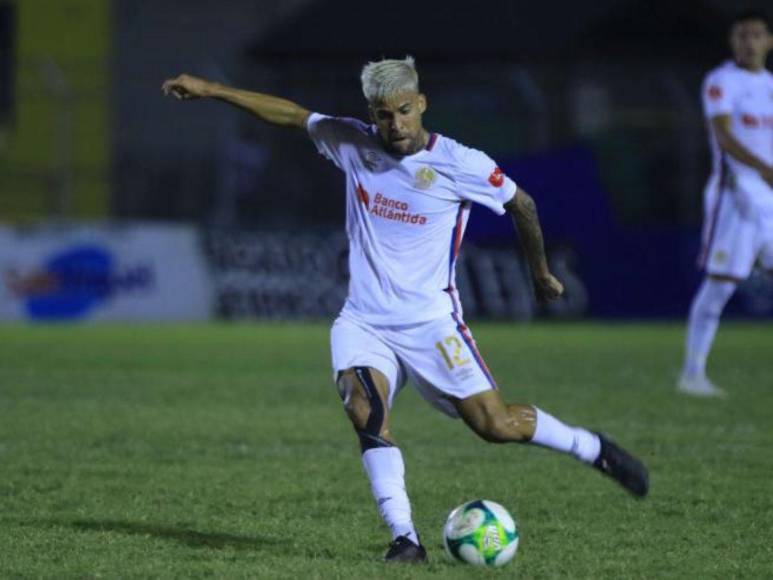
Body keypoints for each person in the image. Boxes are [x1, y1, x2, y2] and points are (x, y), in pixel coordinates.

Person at [163, 57, 649, 564]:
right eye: (382, 114)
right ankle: (406, 540)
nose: (393, 124)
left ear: (421, 104)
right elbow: (291, 115)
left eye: (402, 111)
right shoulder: (353, 143)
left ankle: (592, 448)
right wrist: (211, 89)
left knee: (495, 426)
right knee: (364, 410)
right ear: (370, 114)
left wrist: (540, 273)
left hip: (432, 324)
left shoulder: (461, 163)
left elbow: (521, 204)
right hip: (365, 321)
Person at [679, 11, 773, 398]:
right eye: (741, 35)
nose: (748, 42)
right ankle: (692, 374)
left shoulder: (770, 85)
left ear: (770, 41)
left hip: (769, 196)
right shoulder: (721, 81)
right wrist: (764, 168)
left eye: (756, 35)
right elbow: (724, 137)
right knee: (721, 285)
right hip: (734, 196)